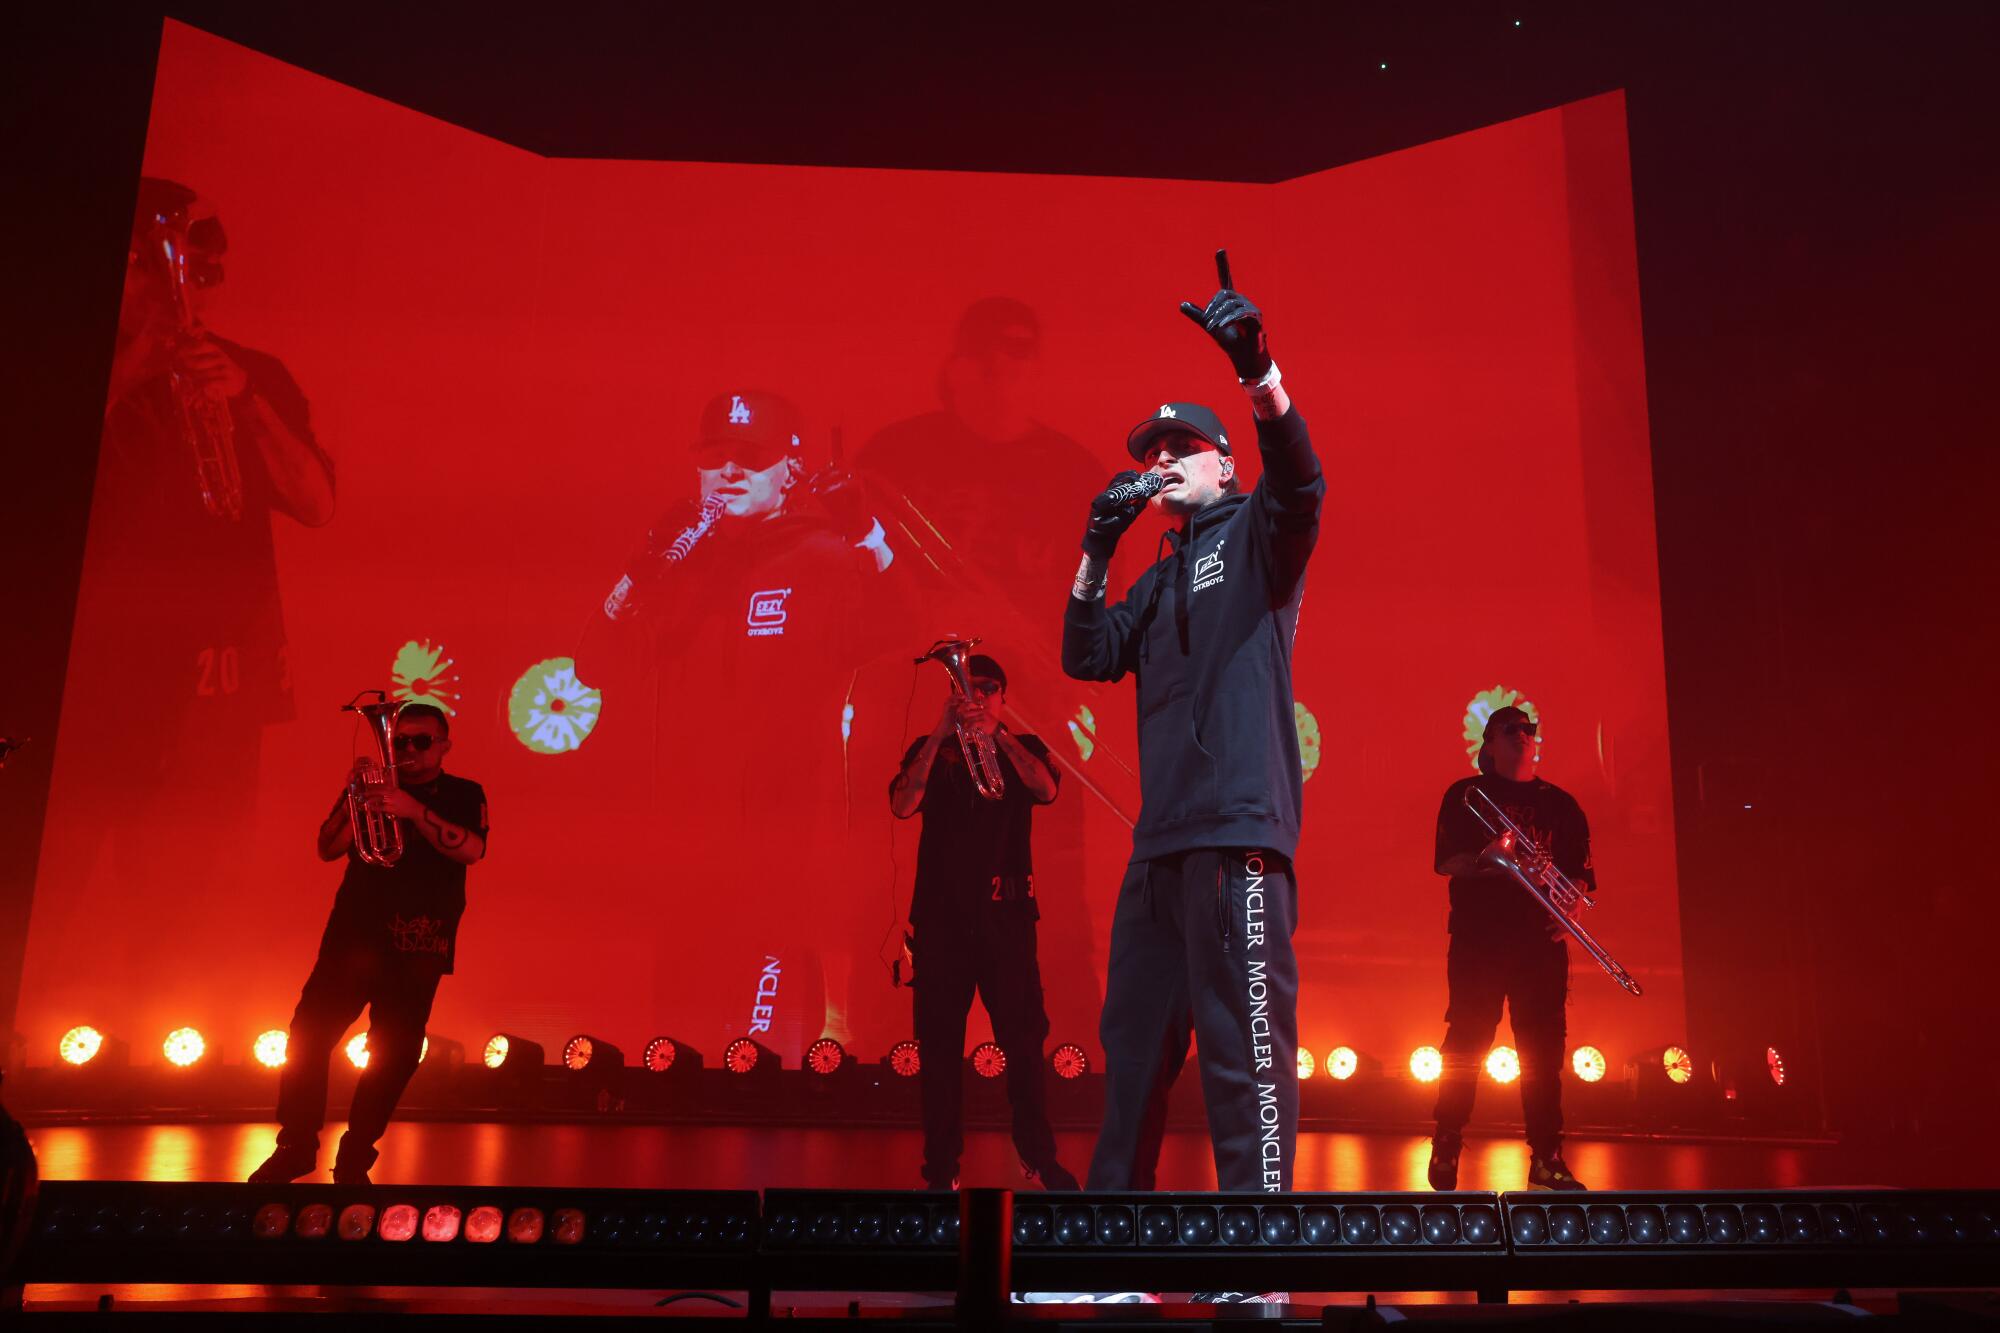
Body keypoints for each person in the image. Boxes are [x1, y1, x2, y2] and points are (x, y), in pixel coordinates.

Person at [1062, 251, 1323, 1193]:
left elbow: (1303, 489)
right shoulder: (1155, 572)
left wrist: (1259, 376)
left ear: (1223, 462)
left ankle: (1255, 1263)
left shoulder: (1257, 533)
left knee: (1243, 1054)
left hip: (1236, 834)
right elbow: (1085, 655)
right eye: (1148, 455)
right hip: (1160, 847)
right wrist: (1095, 548)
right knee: (1131, 1056)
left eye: (1178, 450)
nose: (1159, 462)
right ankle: (1107, 1262)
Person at [583, 389, 899, 1061]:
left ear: (791, 469)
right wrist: (637, 572)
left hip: (782, 832)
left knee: (766, 1035)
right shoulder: (679, 561)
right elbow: (593, 660)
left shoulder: (820, 554)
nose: (728, 470)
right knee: (678, 1029)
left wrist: (866, 535)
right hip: (685, 826)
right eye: (715, 455)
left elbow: (903, 630)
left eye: (749, 458)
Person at [250, 704, 487, 1184]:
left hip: (419, 942)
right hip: (353, 935)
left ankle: (357, 1152)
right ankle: (295, 1144)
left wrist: (413, 810)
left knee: (394, 1053)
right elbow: (326, 848)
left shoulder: (464, 793)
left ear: (444, 746)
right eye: (399, 741)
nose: (409, 750)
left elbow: (471, 849)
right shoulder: (369, 788)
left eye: (422, 741)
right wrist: (354, 798)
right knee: (308, 1036)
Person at [888, 652, 1079, 1192]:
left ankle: (1037, 1158)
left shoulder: (1027, 748)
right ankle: (941, 1170)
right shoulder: (932, 752)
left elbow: (1045, 789)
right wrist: (939, 732)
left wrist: (998, 735)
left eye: (988, 689)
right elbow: (903, 804)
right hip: (942, 923)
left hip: (1008, 921)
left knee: (1023, 1045)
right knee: (940, 1049)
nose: (977, 697)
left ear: (1003, 697)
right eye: (967, 688)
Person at [1427, 705, 1591, 1192]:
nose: (1523, 735)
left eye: (1529, 730)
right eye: (1510, 730)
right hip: (1480, 939)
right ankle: (1448, 1140)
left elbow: (1579, 875)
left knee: (1543, 1053)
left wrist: (1572, 908)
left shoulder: (1562, 803)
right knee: (1467, 1041)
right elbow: (1446, 861)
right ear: (1489, 744)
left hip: (1539, 944)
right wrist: (1497, 864)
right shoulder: (1465, 795)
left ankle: (1547, 1155)